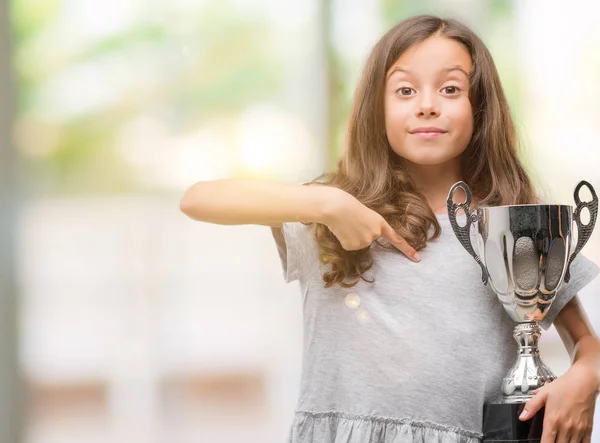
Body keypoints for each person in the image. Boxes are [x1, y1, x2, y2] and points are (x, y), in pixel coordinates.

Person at [180, 14, 600, 443]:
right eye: (404, 90)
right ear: (376, 107)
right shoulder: (328, 213)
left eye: (451, 89)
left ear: (481, 106)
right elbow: (197, 199)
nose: (427, 104)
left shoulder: (510, 226)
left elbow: (587, 343)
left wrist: (586, 376)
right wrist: (328, 202)